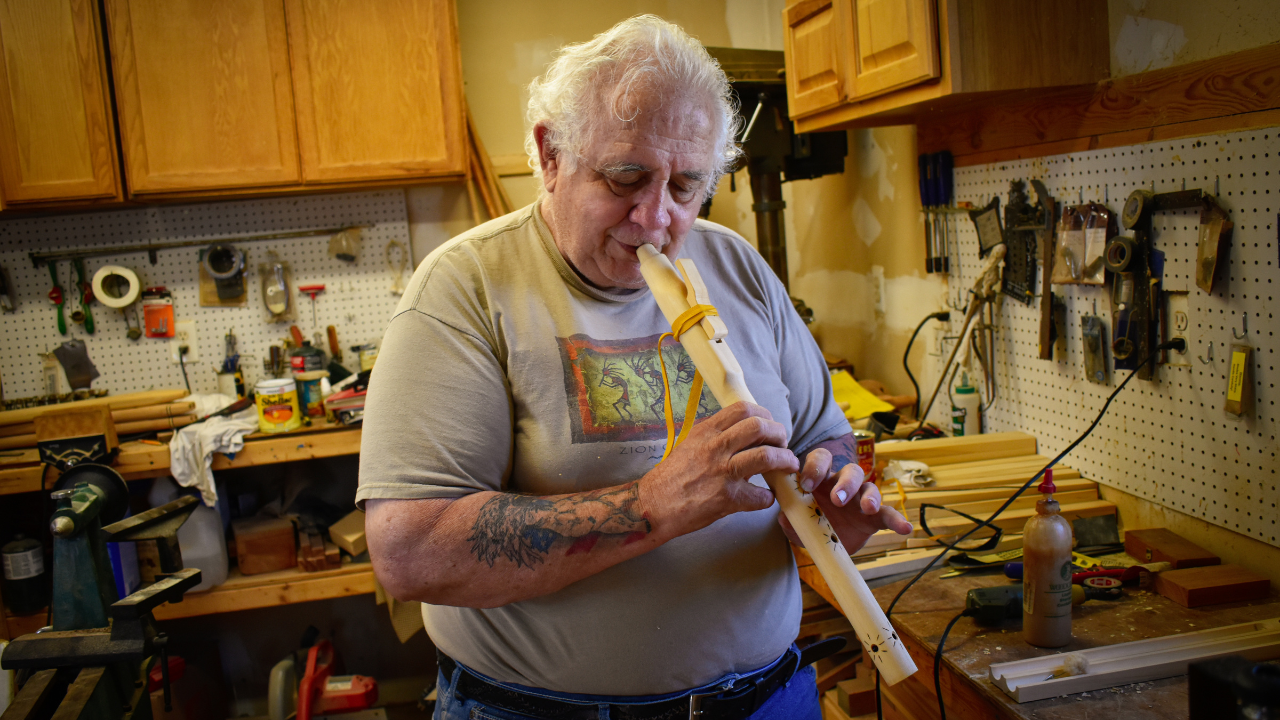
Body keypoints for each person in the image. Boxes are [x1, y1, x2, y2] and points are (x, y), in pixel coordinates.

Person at [358, 15, 911, 720]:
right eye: (626, 178)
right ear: (550, 154)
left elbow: (821, 436)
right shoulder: (464, 290)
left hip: (765, 700)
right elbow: (410, 554)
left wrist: (828, 494)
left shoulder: (735, 265)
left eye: (686, 186)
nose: (656, 219)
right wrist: (651, 506)